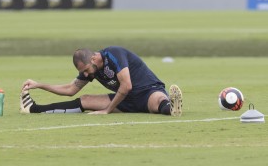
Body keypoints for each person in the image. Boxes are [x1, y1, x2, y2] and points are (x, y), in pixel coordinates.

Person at [20, 46, 183, 116]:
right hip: (125, 100)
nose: (85, 74)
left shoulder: (113, 54)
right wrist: (39, 85)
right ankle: (33, 109)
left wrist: (107, 110)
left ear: (93, 58)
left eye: (85, 70)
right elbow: (70, 89)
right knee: (85, 100)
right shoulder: (90, 69)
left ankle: (172, 107)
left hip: (147, 91)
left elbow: (126, 86)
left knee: (159, 102)